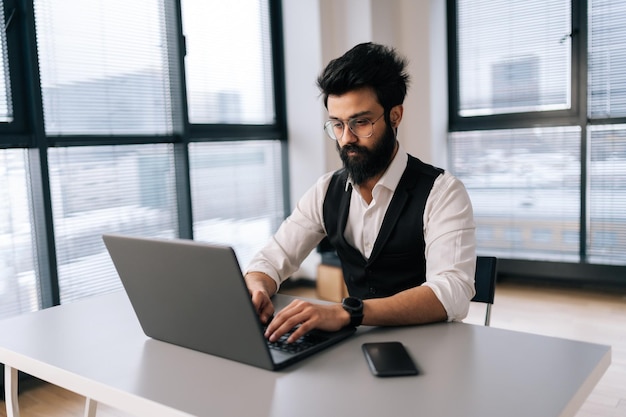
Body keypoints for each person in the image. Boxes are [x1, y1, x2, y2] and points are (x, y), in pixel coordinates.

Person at [244, 42, 476, 344]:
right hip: (357, 347)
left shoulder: (443, 192)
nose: (346, 139)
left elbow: (453, 292)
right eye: (337, 125)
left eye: (361, 122)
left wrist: (348, 313)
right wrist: (259, 286)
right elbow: (271, 259)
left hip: (433, 346)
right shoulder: (326, 189)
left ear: (395, 116)